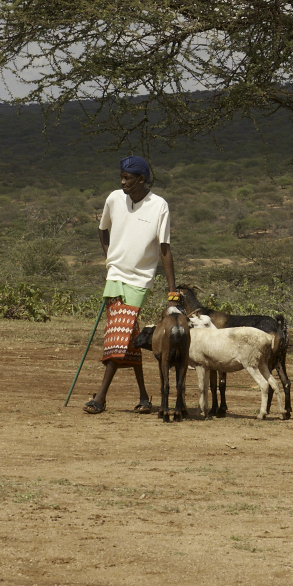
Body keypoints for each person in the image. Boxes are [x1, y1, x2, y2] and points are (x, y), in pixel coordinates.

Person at [83, 154, 177, 414]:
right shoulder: (114, 199)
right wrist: (110, 260)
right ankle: (144, 397)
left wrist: (172, 291)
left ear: (141, 179)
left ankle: (100, 397)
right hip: (115, 277)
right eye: (122, 178)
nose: (122, 182)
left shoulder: (159, 206)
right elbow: (103, 230)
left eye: (127, 178)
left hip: (140, 280)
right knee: (127, 337)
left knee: (120, 333)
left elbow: (165, 248)